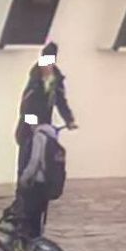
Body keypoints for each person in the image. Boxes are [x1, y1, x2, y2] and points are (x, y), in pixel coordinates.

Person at [13, 42, 77, 238]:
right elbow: (25, 109)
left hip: (45, 131)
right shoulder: (34, 80)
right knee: (26, 168)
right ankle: (20, 211)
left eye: (50, 63)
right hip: (28, 133)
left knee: (45, 166)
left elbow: (61, 101)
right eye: (45, 62)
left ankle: (37, 212)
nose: (47, 66)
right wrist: (33, 125)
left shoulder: (56, 79)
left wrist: (69, 120)